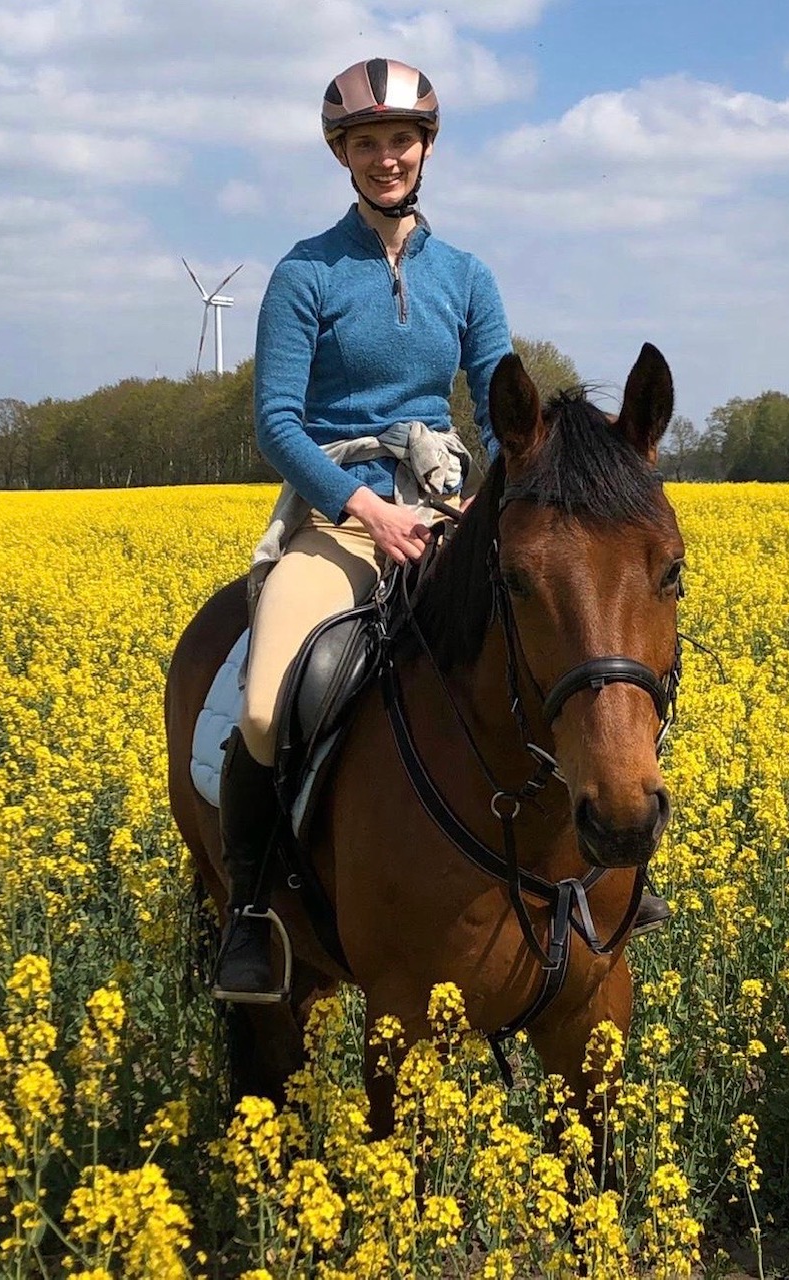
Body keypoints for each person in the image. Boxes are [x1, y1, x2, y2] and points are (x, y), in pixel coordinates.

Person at [212, 57, 667, 1005]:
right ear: (342, 155)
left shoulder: (465, 275)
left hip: (449, 505)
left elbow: (508, 415)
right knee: (262, 709)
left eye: (401, 140)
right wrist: (365, 507)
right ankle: (251, 912)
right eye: (366, 143)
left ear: (425, 149)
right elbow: (277, 425)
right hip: (342, 518)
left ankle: (606, 863)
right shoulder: (304, 273)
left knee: (565, 645)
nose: (386, 157)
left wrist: (491, 500)